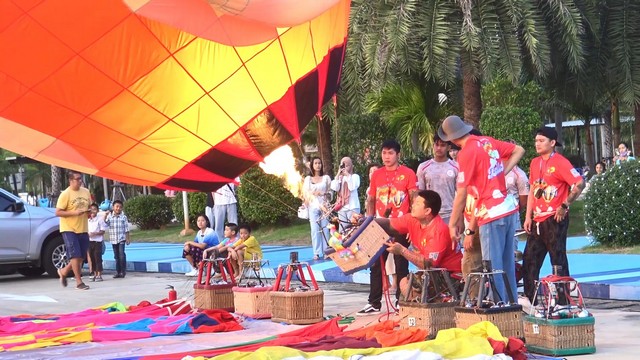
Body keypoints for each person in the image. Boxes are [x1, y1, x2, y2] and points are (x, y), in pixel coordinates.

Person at [438, 115, 525, 304]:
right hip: (508, 208)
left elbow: (462, 192)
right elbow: (519, 150)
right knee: (507, 264)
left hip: (490, 213)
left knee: (492, 266)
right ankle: (512, 307)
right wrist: (503, 171)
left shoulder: (466, 153)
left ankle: (499, 309)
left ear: (451, 139)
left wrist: (452, 224)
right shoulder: (487, 141)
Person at [522, 127, 585, 302]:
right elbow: (533, 189)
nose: (537, 144)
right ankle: (530, 300)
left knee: (557, 260)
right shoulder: (535, 162)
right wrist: (528, 216)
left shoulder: (561, 162)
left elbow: (579, 183)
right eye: (536, 141)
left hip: (554, 218)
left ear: (552, 143)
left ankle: (563, 301)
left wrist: (564, 205)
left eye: (541, 141)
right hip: (537, 219)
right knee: (529, 260)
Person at [357, 140, 417, 315]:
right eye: (384, 153)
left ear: (398, 154)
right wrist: (369, 222)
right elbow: (371, 199)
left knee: (401, 263)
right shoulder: (377, 175)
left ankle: (401, 300)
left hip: (401, 224)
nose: (387, 157)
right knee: (375, 263)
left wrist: (413, 225)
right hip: (379, 224)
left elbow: (414, 199)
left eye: (390, 153)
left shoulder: (408, 173)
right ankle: (374, 302)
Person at [377, 190, 463, 299]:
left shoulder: (438, 230)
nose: (413, 205)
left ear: (427, 211)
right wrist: (365, 221)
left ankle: (432, 308)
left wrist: (402, 251)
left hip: (451, 276)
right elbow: (389, 224)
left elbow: (429, 264)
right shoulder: (412, 219)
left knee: (408, 286)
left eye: (417, 204)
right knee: (405, 283)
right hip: (434, 273)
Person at [55, 171, 91, 290]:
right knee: (75, 256)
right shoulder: (65, 194)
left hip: (83, 228)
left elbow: (89, 208)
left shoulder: (86, 192)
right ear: (71, 180)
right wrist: (73, 212)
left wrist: (90, 213)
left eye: (81, 178)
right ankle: (79, 282)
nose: (80, 181)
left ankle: (64, 271)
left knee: (80, 257)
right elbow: (58, 212)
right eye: (77, 179)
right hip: (69, 228)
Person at [416, 134, 459, 224]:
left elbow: (460, 193)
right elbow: (420, 193)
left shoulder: (456, 167)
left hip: (450, 214)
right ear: (433, 146)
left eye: (442, 145)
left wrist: (459, 217)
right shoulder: (423, 167)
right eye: (436, 145)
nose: (439, 148)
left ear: (448, 147)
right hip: (429, 215)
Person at [303, 156, 332, 260]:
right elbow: (305, 194)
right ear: (312, 165)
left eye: (319, 163)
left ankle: (326, 251)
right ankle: (316, 252)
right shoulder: (308, 179)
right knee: (314, 230)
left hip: (324, 206)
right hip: (313, 206)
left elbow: (330, 192)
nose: (318, 165)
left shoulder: (326, 178)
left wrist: (324, 194)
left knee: (325, 229)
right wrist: (310, 196)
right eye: (315, 163)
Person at [330, 157, 361, 232]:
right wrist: (338, 174)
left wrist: (347, 175)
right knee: (343, 230)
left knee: (353, 229)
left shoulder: (355, 176)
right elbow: (334, 187)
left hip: (352, 206)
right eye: (343, 166)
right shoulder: (340, 178)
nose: (345, 168)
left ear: (351, 166)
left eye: (347, 166)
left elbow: (352, 187)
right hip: (342, 207)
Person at [104, 200, 130, 279]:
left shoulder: (123, 217)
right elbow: (105, 223)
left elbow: (126, 229)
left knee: (121, 255)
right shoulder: (110, 216)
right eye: (117, 207)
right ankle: (118, 272)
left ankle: (123, 271)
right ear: (113, 207)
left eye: (120, 207)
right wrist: (105, 215)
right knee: (116, 256)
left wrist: (127, 238)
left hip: (121, 239)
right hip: (113, 239)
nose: (118, 208)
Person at [88, 203, 108, 282]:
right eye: (91, 209)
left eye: (94, 209)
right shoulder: (88, 220)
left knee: (97, 258)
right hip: (90, 242)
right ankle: (94, 273)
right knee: (92, 258)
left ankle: (99, 274)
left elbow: (102, 231)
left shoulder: (99, 220)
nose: (92, 211)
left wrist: (95, 233)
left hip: (97, 242)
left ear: (97, 211)